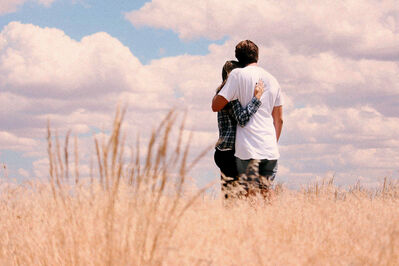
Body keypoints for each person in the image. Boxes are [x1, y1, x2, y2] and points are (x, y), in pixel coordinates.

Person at [212, 40, 284, 197]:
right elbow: (279, 120)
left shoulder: (233, 84)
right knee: (265, 190)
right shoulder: (272, 79)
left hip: (233, 150)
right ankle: (274, 219)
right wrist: (256, 98)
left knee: (238, 195)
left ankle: (240, 219)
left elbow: (219, 107)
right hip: (264, 147)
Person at [214, 60, 264, 199]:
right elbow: (242, 119)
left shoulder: (221, 94)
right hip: (234, 152)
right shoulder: (232, 94)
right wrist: (257, 98)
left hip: (223, 151)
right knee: (243, 198)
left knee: (229, 197)